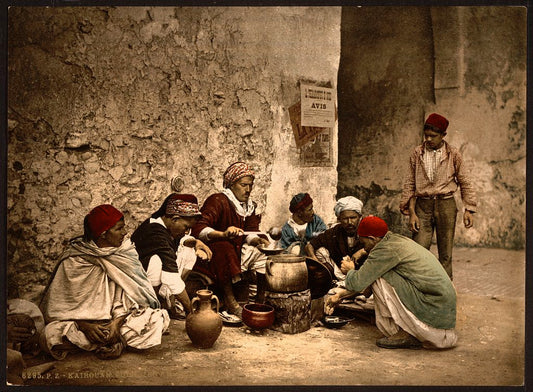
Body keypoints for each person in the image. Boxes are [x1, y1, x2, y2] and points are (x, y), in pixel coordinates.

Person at [39, 204, 170, 360]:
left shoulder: (123, 253)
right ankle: (111, 342)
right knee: (50, 335)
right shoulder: (74, 260)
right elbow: (59, 306)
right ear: (103, 234)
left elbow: (129, 298)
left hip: (114, 321)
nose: (125, 232)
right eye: (119, 229)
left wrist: (116, 324)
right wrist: (85, 326)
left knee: (156, 319)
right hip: (81, 324)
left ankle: (108, 340)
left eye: (124, 227)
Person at [326, 216, 458, 350]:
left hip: (433, 306)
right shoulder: (394, 240)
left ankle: (406, 333)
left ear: (373, 239)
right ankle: (409, 329)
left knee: (380, 275)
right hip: (441, 311)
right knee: (377, 273)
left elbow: (358, 283)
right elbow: (366, 282)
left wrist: (350, 271)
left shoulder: (384, 250)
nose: (364, 248)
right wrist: (340, 295)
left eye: (364, 243)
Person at [400, 113, 477, 279]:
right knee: (418, 251)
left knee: (445, 253)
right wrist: (411, 213)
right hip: (422, 206)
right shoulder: (417, 153)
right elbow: (409, 184)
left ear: (443, 135)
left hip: (446, 205)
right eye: (426, 135)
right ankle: (419, 290)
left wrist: (469, 209)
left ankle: (445, 292)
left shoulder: (453, 154)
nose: (428, 139)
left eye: (433, 136)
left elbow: (465, 181)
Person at [191, 161, 270, 318]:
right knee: (224, 247)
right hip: (212, 254)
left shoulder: (249, 206)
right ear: (232, 184)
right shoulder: (218, 200)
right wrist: (223, 234)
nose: (248, 190)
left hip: (238, 251)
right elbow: (198, 228)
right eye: (243, 185)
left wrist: (256, 240)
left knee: (262, 252)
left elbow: (251, 232)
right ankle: (231, 301)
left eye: (250, 185)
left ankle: (260, 302)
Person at [131, 193, 212, 318]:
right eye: (186, 227)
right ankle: (153, 307)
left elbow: (180, 239)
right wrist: (191, 310)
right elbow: (171, 277)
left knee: (189, 251)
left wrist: (195, 242)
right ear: (174, 219)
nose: (186, 232)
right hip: (137, 285)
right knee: (157, 262)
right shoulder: (154, 232)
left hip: (148, 280)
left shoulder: (165, 226)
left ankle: (170, 299)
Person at [305, 196, 367, 282]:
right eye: (345, 218)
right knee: (320, 251)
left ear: (359, 217)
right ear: (339, 219)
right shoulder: (334, 232)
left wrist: (362, 251)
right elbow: (310, 245)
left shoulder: (368, 229)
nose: (349, 222)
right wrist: (314, 260)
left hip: (364, 275)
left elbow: (383, 246)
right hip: (340, 274)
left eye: (353, 218)